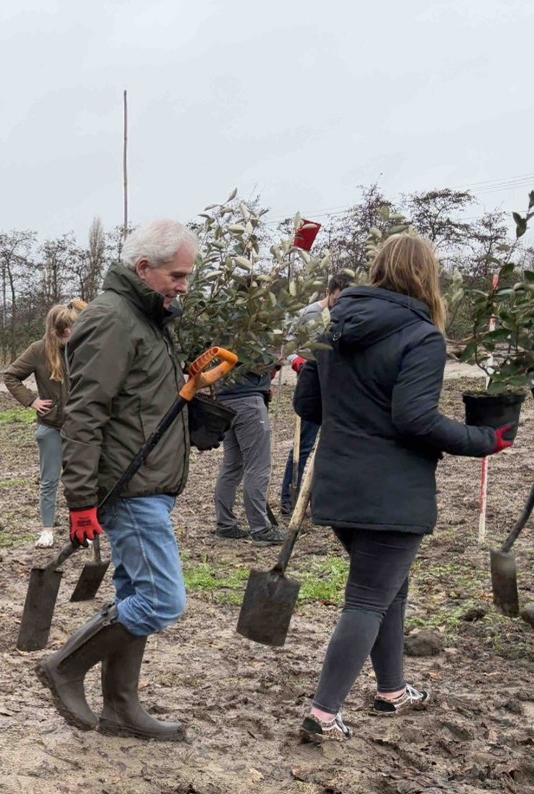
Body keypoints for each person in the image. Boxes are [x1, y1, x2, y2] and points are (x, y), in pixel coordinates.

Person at [294, 235, 513, 743]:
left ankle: (392, 690)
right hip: (390, 491)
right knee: (369, 598)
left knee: (389, 588)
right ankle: (323, 714)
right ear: (428, 277)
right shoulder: (422, 336)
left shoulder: (333, 327)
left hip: (339, 485)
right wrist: (484, 439)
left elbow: (309, 406)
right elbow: (414, 418)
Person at [37, 220, 200, 742]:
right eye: (177, 276)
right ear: (144, 268)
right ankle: (63, 666)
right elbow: (84, 414)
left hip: (148, 482)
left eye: (189, 276)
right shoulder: (113, 319)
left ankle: (121, 706)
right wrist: (81, 499)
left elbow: (140, 404)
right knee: (161, 599)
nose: (184, 287)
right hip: (127, 488)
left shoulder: (147, 318)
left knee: (135, 592)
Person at [4, 300, 88, 547]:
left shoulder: (82, 347)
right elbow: (11, 376)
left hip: (79, 427)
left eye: (72, 330)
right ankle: (47, 530)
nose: (69, 336)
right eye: (64, 333)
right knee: (50, 480)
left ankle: (81, 529)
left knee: (80, 480)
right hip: (50, 426)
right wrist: (32, 401)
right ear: (56, 331)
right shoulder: (38, 350)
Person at [280, 274, 350, 516]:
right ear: (328, 293)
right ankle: (290, 499)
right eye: (337, 298)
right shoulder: (310, 314)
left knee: (333, 443)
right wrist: (297, 361)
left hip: (336, 387)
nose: (340, 304)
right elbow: (286, 343)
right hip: (311, 387)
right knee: (303, 445)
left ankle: (322, 499)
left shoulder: (348, 315)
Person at [212, 359, 286, 544]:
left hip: (224, 401)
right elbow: (256, 360)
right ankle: (261, 529)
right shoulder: (248, 334)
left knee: (232, 464)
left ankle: (225, 524)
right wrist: (274, 361)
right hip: (248, 402)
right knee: (258, 466)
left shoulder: (222, 332)